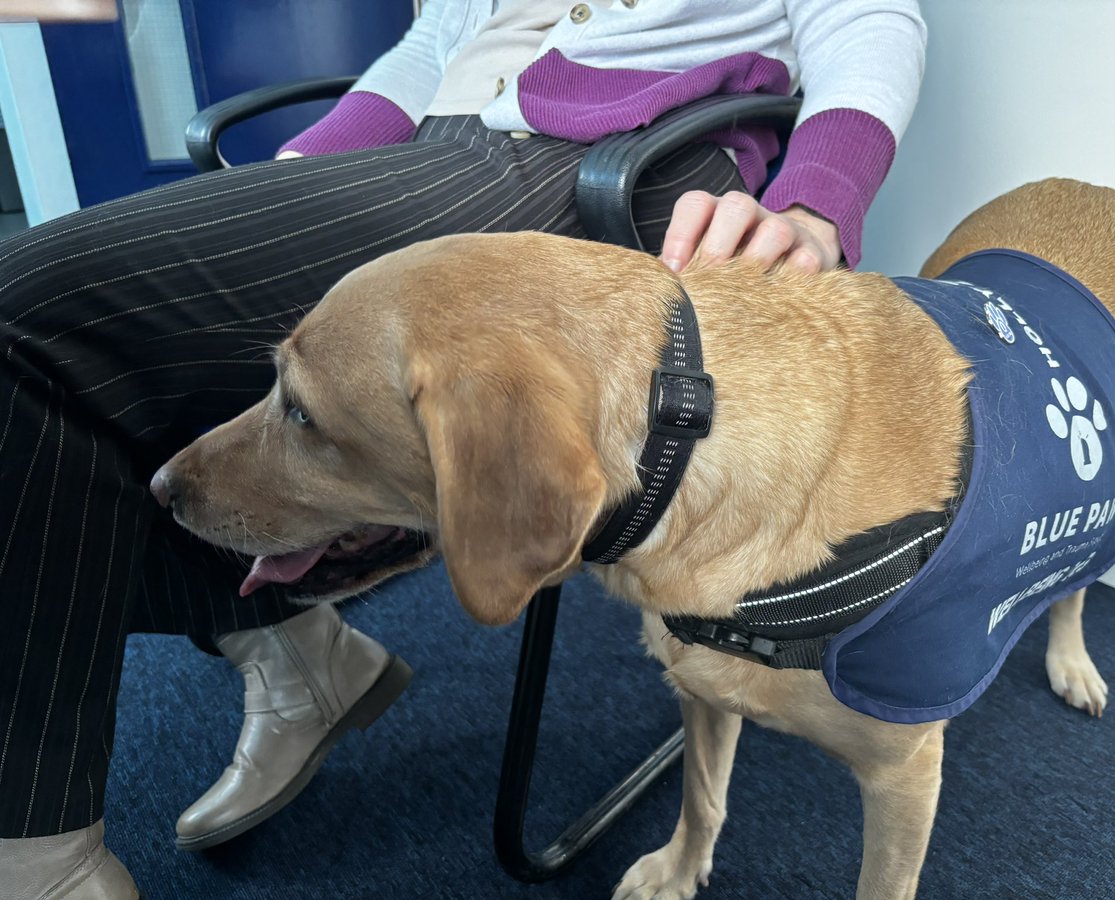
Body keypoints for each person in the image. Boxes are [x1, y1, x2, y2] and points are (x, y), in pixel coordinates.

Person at [0, 1, 926, 896]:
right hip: (442, 140)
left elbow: (864, 14)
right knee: (142, 360)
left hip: (612, 163)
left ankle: (36, 848)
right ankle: (284, 645)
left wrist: (816, 201)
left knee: (29, 307)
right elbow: (439, 33)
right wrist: (295, 174)